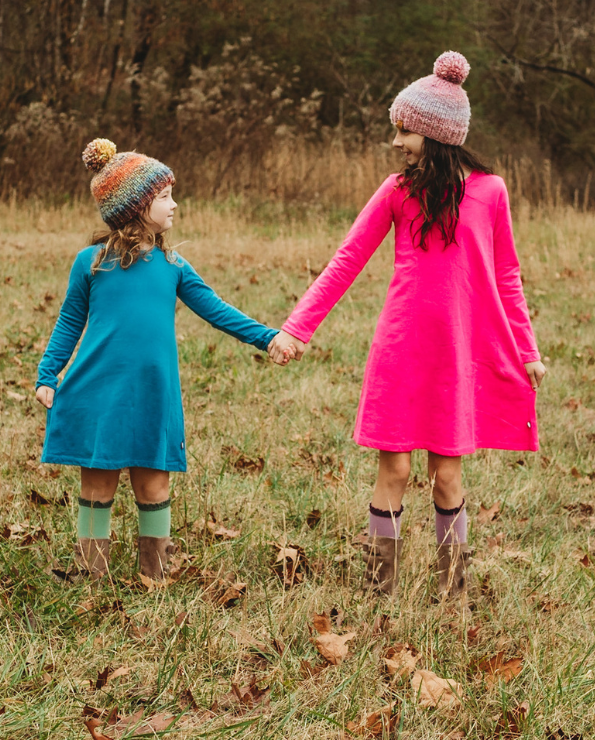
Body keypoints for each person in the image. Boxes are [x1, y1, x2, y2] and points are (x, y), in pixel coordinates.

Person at [269, 52, 546, 598]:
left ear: (434, 132)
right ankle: (380, 591)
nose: (396, 141)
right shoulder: (397, 190)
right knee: (393, 472)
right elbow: (346, 259)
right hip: (401, 351)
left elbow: (507, 274)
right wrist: (297, 327)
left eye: (404, 130)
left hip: (458, 355)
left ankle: (452, 592)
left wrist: (526, 349)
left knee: (447, 477)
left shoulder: (491, 191)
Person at [35, 138, 291, 581]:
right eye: (165, 196)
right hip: (99, 390)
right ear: (135, 207)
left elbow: (217, 309)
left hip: (153, 393)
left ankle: (153, 573)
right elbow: (68, 323)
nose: (175, 205)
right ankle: (92, 574)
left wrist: (267, 338)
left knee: (154, 480)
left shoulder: (173, 265)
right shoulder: (91, 263)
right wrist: (47, 374)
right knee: (97, 480)